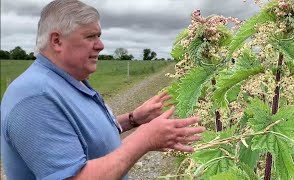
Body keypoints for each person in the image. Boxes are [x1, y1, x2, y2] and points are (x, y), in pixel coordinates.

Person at [0, 0, 205, 179]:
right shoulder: (35, 97)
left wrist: (133, 119)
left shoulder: (69, 81)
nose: (101, 45)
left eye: (99, 36)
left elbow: (84, 136)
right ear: (57, 41)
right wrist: (145, 138)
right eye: (91, 36)